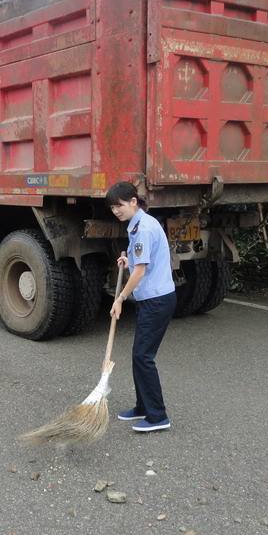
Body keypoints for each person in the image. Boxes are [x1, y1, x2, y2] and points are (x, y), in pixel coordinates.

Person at [106, 181, 176, 433]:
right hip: (152, 299)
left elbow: (141, 271)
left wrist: (121, 298)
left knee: (143, 357)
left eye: (120, 205)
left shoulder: (143, 228)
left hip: (157, 300)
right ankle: (142, 407)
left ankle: (158, 416)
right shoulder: (137, 225)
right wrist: (129, 258)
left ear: (133, 202)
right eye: (113, 207)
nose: (116, 210)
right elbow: (142, 259)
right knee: (139, 355)